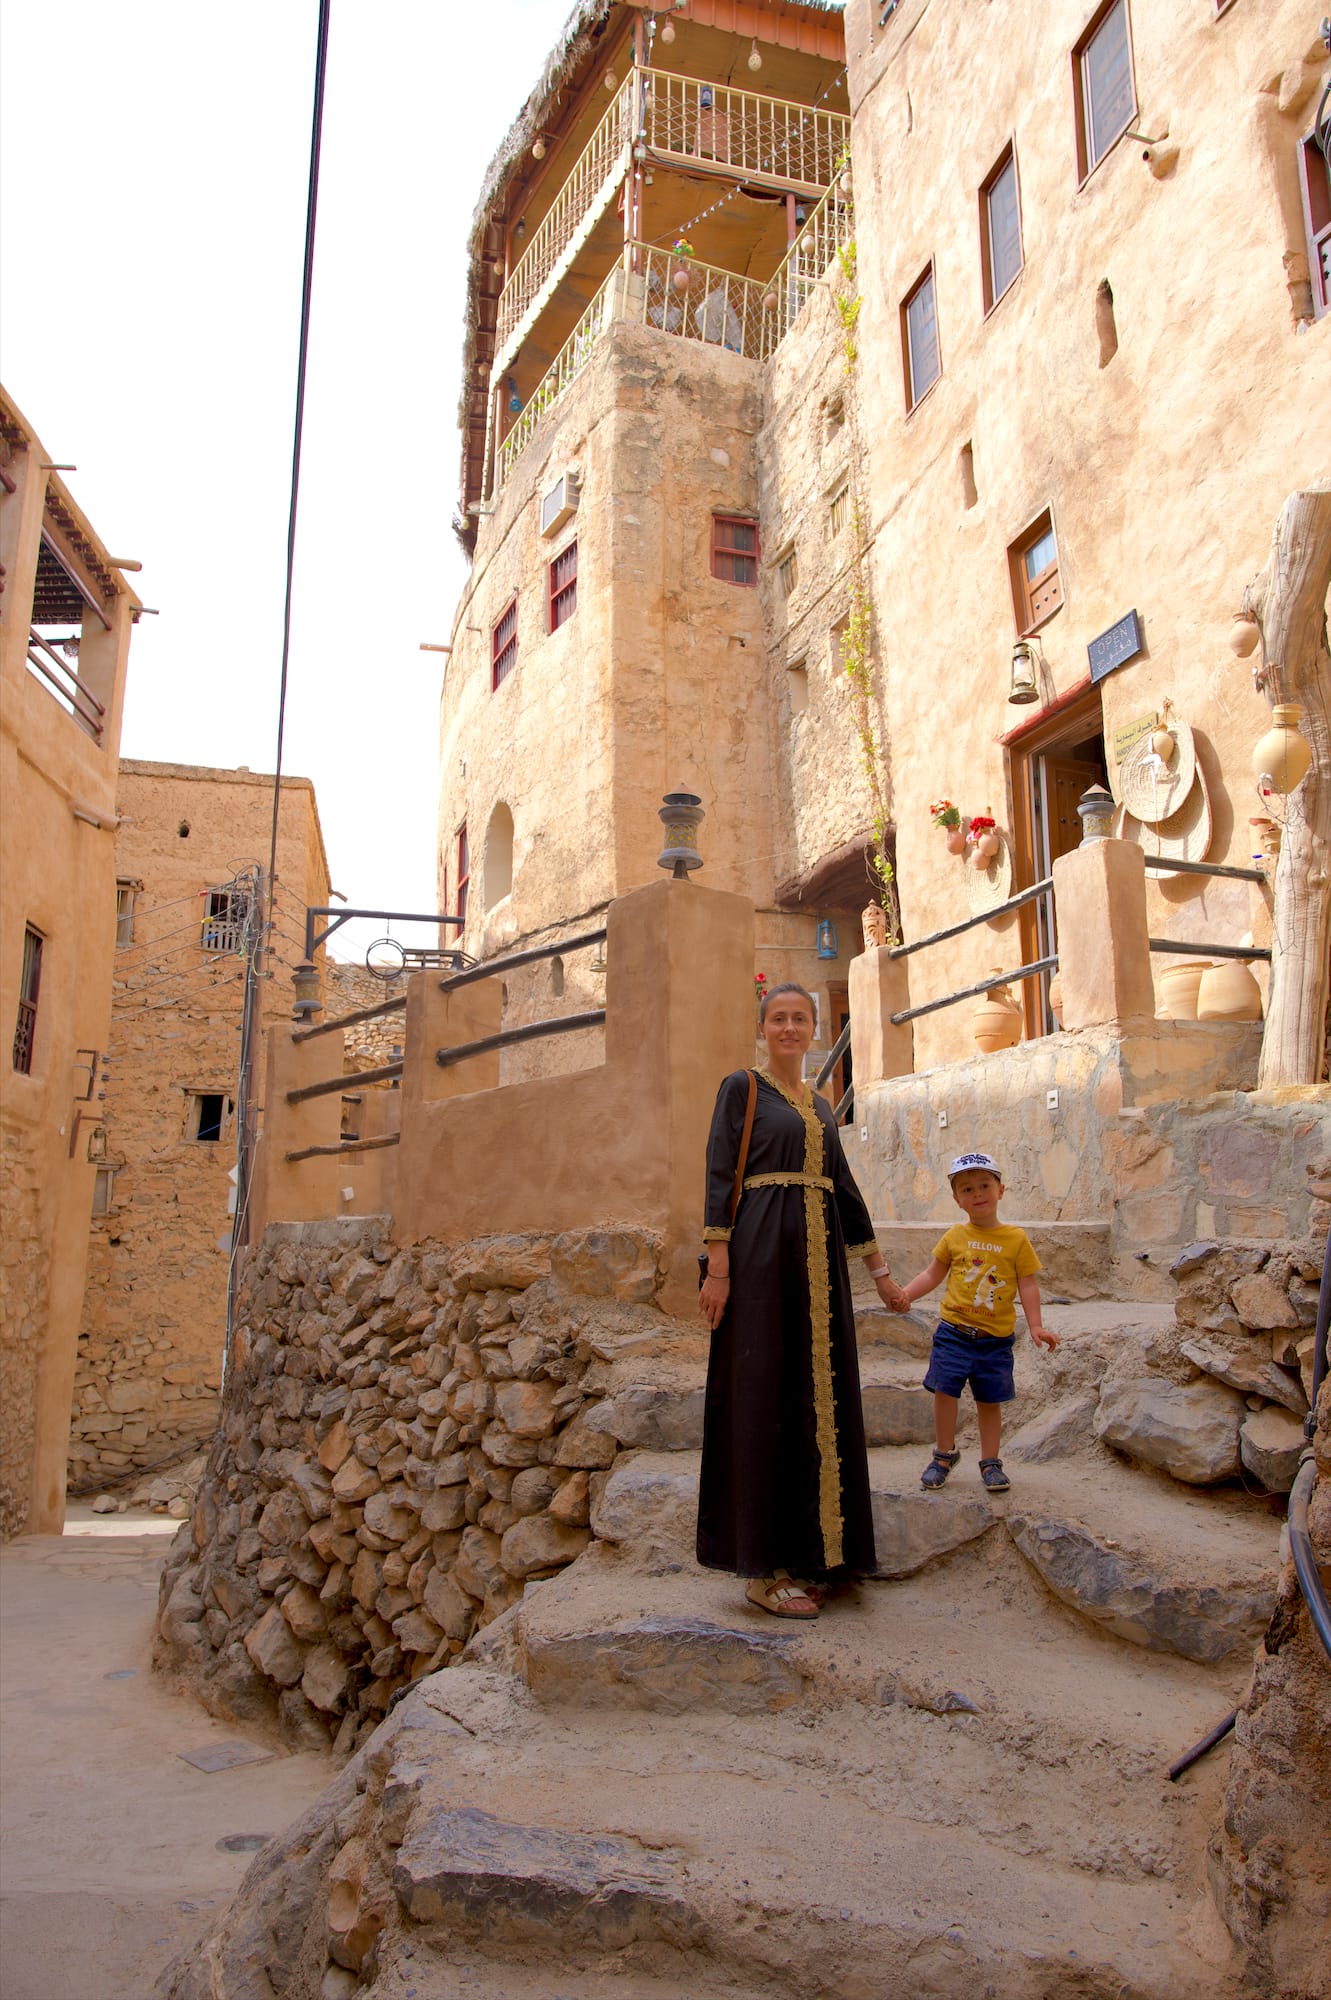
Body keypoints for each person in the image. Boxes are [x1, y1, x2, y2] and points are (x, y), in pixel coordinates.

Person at [697, 982, 906, 1618]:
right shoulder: (743, 1088)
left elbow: (844, 1188)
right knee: (763, 1396)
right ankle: (763, 1569)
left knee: (820, 1399)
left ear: (814, 1028)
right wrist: (719, 1267)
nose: (789, 1028)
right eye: (778, 1019)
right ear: (763, 1028)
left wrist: (880, 1273)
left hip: (821, 1272)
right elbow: (719, 1171)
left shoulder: (818, 1106)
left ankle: (821, 1553)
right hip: (760, 1260)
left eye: (800, 1019)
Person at [892, 1151, 1059, 1493]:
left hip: (994, 1340)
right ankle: (943, 1455)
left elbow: (1028, 1284)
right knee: (944, 1391)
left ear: (1001, 1190)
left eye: (985, 1185)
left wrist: (1036, 1325)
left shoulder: (1016, 1239)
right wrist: (906, 1294)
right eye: (967, 1189)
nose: (977, 1194)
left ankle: (990, 1462)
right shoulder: (955, 1236)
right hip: (953, 1333)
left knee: (989, 1400)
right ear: (957, 1199)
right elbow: (932, 1274)